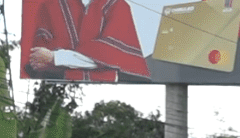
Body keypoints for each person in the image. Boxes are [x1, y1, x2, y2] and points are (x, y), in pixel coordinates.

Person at [22, 0, 150, 82]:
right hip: (62, 88)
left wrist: (56, 58)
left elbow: (111, 58)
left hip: (108, 87)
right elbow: (38, 61)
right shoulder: (50, 6)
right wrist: (51, 60)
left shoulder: (117, 5)